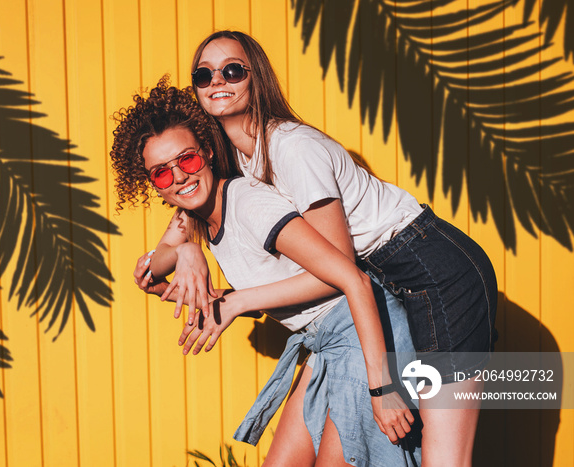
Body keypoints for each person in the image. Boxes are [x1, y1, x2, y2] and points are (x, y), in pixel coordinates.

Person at [139, 30, 498, 466]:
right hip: (374, 293)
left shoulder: (290, 148)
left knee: (445, 459)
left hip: (432, 269)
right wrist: (187, 252)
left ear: (256, 76)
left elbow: (344, 269)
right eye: (204, 73)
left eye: (232, 70)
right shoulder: (236, 161)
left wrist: (236, 301)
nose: (218, 80)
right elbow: (169, 239)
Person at [111, 78, 420, 466]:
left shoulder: (248, 205)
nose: (179, 177)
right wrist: (186, 253)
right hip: (325, 345)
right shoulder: (197, 217)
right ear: (153, 185)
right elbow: (153, 269)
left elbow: (352, 279)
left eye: (186, 160)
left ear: (206, 152)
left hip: (364, 336)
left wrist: (385, 386)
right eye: (161, 172)